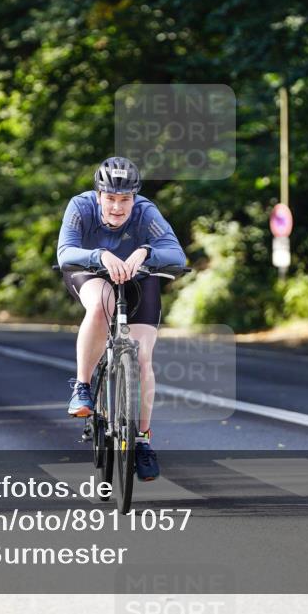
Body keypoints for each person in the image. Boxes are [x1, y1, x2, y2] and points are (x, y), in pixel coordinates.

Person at [56, 157, 186, 481]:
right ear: (98, 195)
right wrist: (99, 255)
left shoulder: (145, 212)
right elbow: (65, 253)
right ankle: (83, 387)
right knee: (101, 305)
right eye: (110, 198)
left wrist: (145, 252)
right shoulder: (80, 206)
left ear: (134, 197)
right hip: (92, 274)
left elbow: (177, 254)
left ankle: (142, 441)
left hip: (139, 277)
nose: (117, 207)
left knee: (142, 356)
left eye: (124, 199)